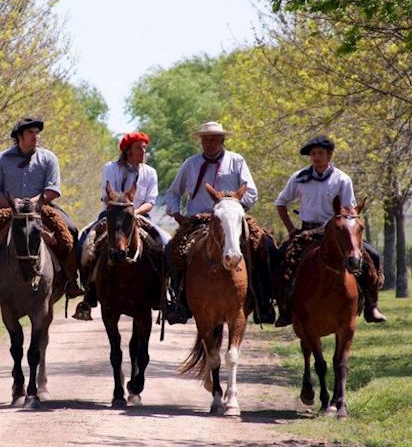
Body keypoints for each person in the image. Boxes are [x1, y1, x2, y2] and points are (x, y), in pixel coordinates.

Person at [0, 117, 84, 306]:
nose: (36, 136)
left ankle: (71, 281)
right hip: (8, 209)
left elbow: (53, 190)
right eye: (31, 133)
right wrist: (12, 205)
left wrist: (31, 203)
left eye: (37, 133)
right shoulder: (1, 159)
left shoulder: (48, 158)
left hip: (42, 208)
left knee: (71, 231)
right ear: (19, 136)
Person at [164, 121, 275, 324]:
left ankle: (264, 302)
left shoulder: (236, 161)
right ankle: (178, 302)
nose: (210, 142)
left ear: (222, 140)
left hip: (231, 216)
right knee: (172, 250)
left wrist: (234, 206)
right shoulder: (191, 163)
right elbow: (173, 192)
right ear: (201, 142)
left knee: (264, 245)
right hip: (198, 220)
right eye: (206, 139)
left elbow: (251, 192)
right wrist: (177, 214)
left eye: (214, 138)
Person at [274, 135, 386, 326]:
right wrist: (291, 229)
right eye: (313, 154)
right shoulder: (299, 178)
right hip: (307, 233)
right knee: (280, 259)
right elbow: (281, 202)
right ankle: (284, 308)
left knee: (372, 256)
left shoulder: (342, 179)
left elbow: (350, 210)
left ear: (329, 155)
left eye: (320, 153)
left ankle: (371, 306)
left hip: (337, 233)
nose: (316, 157)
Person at [72, 131, 170, 320]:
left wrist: (135, 213)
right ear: (127, 151)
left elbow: (151, 200)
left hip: (141, 215)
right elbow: (106, 193)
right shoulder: (111, 168)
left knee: (165, 244)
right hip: (112, 214)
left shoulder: (150, 172)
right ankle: (88, 292)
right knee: (85, 242)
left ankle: (164, 294)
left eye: (144, 148)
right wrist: (119, 209)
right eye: (138, 148)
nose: (143, 152)